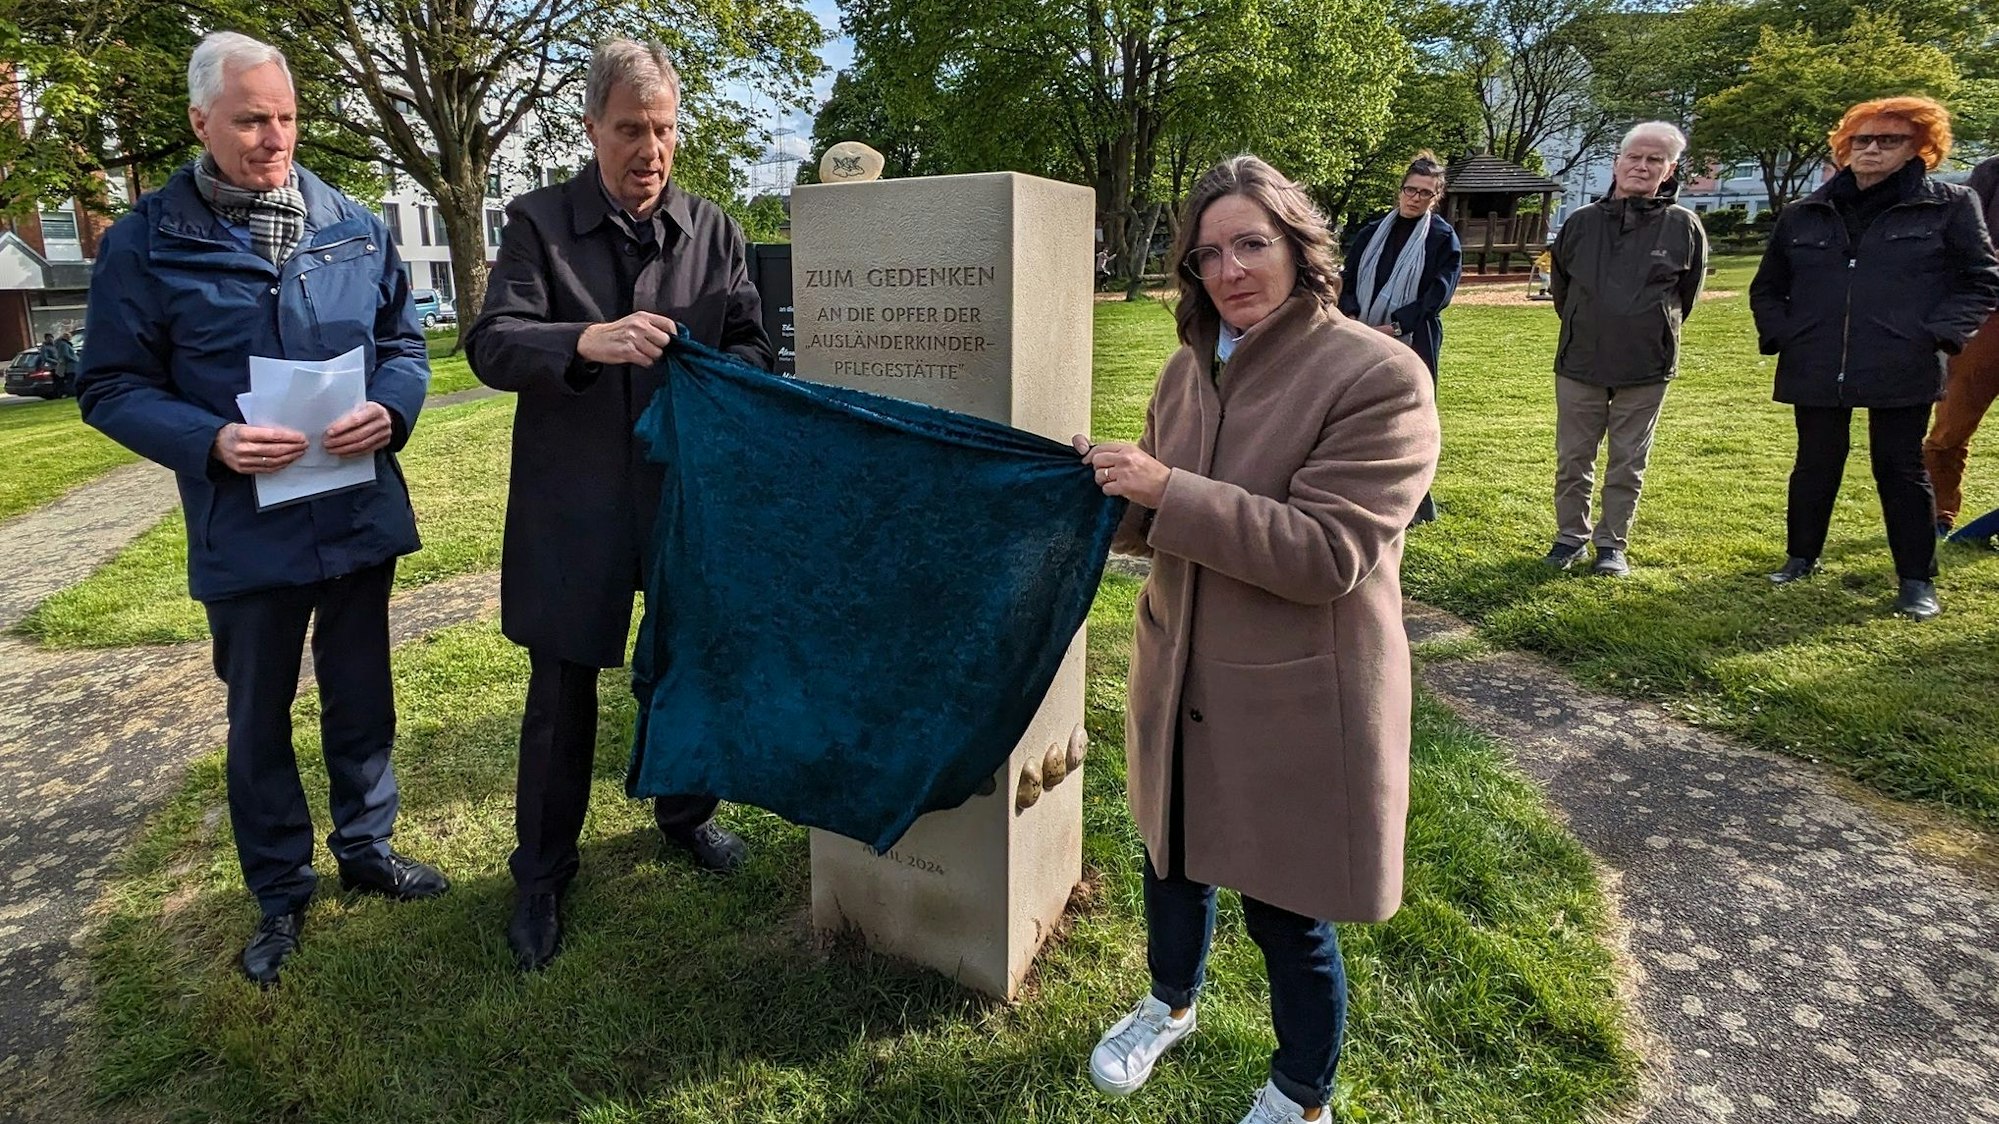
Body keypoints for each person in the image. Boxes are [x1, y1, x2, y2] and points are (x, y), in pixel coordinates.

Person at [1075, 154, 1438, 1124]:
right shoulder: (1184, 368)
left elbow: (1329, 551)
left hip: (1295, 695)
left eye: (1251, 243)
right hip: (1178, 665)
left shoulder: (1378, 375)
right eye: (1208, 254)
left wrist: (1162, 490)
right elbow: (1157, 521)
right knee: (1171, 859)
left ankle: (1300, 1094)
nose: (1230, 270)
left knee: (1288, 911)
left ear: (1298, 245)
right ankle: (1168, 1003)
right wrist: (1092, 498)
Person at [77, 31, 445, 986]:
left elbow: (405, 346)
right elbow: (109, 384)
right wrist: (210, 442)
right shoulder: (145, 240)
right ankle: (281, 893)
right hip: (244, 526)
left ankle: (367, 849)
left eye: (283, 117)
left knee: (363, 697)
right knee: (259, 721)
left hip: (355, 511)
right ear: (200, 122)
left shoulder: (352, 224)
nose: (272, 136)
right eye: (249, 120)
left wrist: (392, 409)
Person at [467, 38, 775, 972]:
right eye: (631, 130)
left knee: (684, 666)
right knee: (561, 695)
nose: (651, 150)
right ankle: (542, 876)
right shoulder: (537, 224)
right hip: (577, 505)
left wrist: (717, 370)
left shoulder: (713, 230)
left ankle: (686, 818)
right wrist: (589, 340)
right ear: (592, 127)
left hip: (683, 500)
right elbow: (491, 345)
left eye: (666, 130)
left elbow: (756, 346)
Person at [1752, 95, 1999, 620]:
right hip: (1816, 357)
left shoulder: (1950, 204)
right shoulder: (1805, 213)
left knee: (1901, 468)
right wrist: (1785, 335)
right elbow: (1769, 286)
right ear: (1844, 148)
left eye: (1889, 140)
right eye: (1861, 140)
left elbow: (1980, 280)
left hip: (1901, 358)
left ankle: (1915, 579)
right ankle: (1801, 556)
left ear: (1920, 148)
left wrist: (1940, 335)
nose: (1871, 150)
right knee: (1815, 462)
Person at [1545, 121, 1708, 576]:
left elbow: (1687, 296)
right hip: (1580, 362)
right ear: (1616, 163)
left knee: (1627, 461)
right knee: (1573, 458)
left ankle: (1611, 545)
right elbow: (1563, 291)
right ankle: (1569, 538)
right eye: (1634, 157)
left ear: (1669, 169)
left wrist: (1650, 329)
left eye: (1654, 159)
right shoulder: (1580, 224)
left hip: (1646, 366)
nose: (1642, 165)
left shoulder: (1683, 227)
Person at [1339, 150, 1463, 525]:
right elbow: (1348, 278)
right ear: (1400, 190)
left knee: (1409, 417)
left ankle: (1416, 499)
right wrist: (1352, 317)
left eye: (1425, 193)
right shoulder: (1371, 232)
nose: (1414, 198)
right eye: (1410, 189)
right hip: (1361, 334)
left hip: (1414, 336)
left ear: (1436, 197)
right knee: (1358, 413)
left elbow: (1438, 294)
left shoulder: (1443, 239)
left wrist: (1395, 326)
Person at [1923, 152, 1999, 537]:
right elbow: (1960, 239)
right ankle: (1937, 513)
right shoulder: (1992, 172)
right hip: (1989, 320)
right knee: (1952, 426)